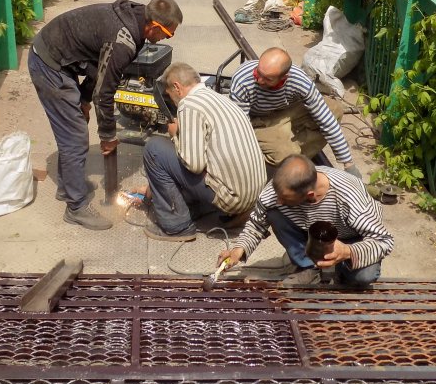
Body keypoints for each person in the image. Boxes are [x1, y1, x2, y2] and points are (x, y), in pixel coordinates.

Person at [30, 0, 183, 230]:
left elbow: (100, 64)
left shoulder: (138, 22)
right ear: (153, 26)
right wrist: (108, 135)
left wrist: (82, 98)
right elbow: (105, 92)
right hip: (49, 63)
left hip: (64, 56)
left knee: (75, 129)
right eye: (167, 34)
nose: (166, 39)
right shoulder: (125, 41)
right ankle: (76, 206)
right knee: (75, 137)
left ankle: (67, 187)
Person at [218, 154, 393, 288]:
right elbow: (257, 223)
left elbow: (384, 242)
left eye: (285, 199)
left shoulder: (349, 194)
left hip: (350, 239)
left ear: (309, 196)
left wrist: (347, 252)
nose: (278, 200)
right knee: (273, 212)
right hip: (309, 230)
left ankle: (343, 271)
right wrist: (237, 250)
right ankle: (308, 266)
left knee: (363, 276)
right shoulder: (279, 189)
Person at [140, 62, 267, 242]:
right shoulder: (219, 98)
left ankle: (177, 226)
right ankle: (200, 206)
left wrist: (176, 135)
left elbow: (193, 165)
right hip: (254, 195)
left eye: (169, 95)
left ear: (177, 87)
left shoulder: (189, 104)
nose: (173, 101)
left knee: (154, 149)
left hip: (233, 198)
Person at [229, 47, 359, 176]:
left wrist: (348, 164)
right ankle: (282, 161)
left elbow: (327, 120)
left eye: (268, 79)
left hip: (287, 110)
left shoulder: (300, 81)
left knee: (334, 109)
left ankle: (295, 158)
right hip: (259, 120)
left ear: (284, 77)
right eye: (258, 73)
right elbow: (240, 126)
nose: (259, 80)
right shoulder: (244, 80)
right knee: (286, 154)